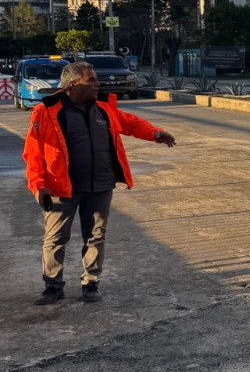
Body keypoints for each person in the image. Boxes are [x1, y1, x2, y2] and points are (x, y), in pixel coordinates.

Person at [24, 61, 176, 305]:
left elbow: (131, 123)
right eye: (91, 81)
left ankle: (90, 282)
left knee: (96, 236)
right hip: (62, 188)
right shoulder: (47, 111)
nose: (98, 84)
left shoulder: (105, 108)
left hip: (101, 185)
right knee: (55, 238)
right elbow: (33, 153)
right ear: (73, 85)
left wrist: (155, 134)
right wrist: (37, 185)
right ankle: (53, 286)